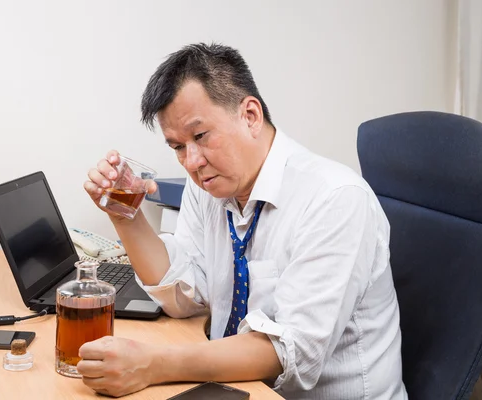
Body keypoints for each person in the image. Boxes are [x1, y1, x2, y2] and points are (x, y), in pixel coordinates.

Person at [81, 42, 408, 399]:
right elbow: (185, 294)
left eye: (200, 136)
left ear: (250, 115)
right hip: (235, 387)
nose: (191, 161)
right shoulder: (210, 187)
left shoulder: (335, 199)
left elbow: (287, 351)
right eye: (177, 146)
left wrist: (154, 364)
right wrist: (125, 218)